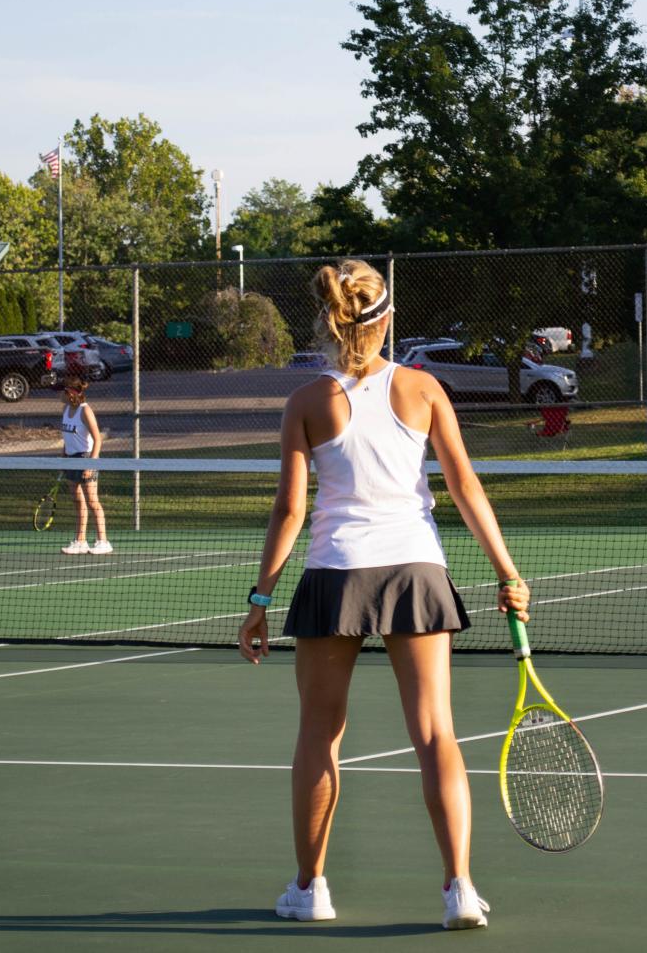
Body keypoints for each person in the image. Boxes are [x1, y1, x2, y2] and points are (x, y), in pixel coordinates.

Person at [238, 259, 529, 931]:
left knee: (318, 733)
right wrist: (507, 572)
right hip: (414, 572)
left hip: (334, 574)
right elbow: (465, 487)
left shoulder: (306, 402)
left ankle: (309, 888)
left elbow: (288, 511)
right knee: (436, 735)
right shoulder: (424, 389)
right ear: (386, 317)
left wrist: (259, 599)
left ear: (329, 320)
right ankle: (459, 888)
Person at [59, 374, 111, 554]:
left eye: (62, 391)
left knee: (92, 501)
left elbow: (98, 439)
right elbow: (67, 438)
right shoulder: (66, 409)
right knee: (77, 501)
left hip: (86, 457)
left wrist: (90, 464)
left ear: (70, 392)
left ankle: (103, 541)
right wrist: (63, 458)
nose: (60, 395)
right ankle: (80, 541)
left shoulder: (85, 411)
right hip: (71, 459)